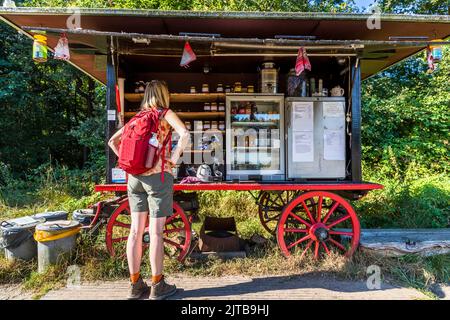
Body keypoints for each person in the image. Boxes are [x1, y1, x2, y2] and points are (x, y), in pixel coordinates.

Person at [108, 80, 190, 300]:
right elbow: (184, 134)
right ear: (163, 95)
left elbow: (112, 142)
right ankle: (157, 285)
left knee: (135, 232)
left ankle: (135, 285)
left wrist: (131, 163)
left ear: (146, 95)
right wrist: (172, 159)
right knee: (155, 232)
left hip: (134, 179)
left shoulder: (137, 118)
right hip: (157, 178)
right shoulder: (164, 114)